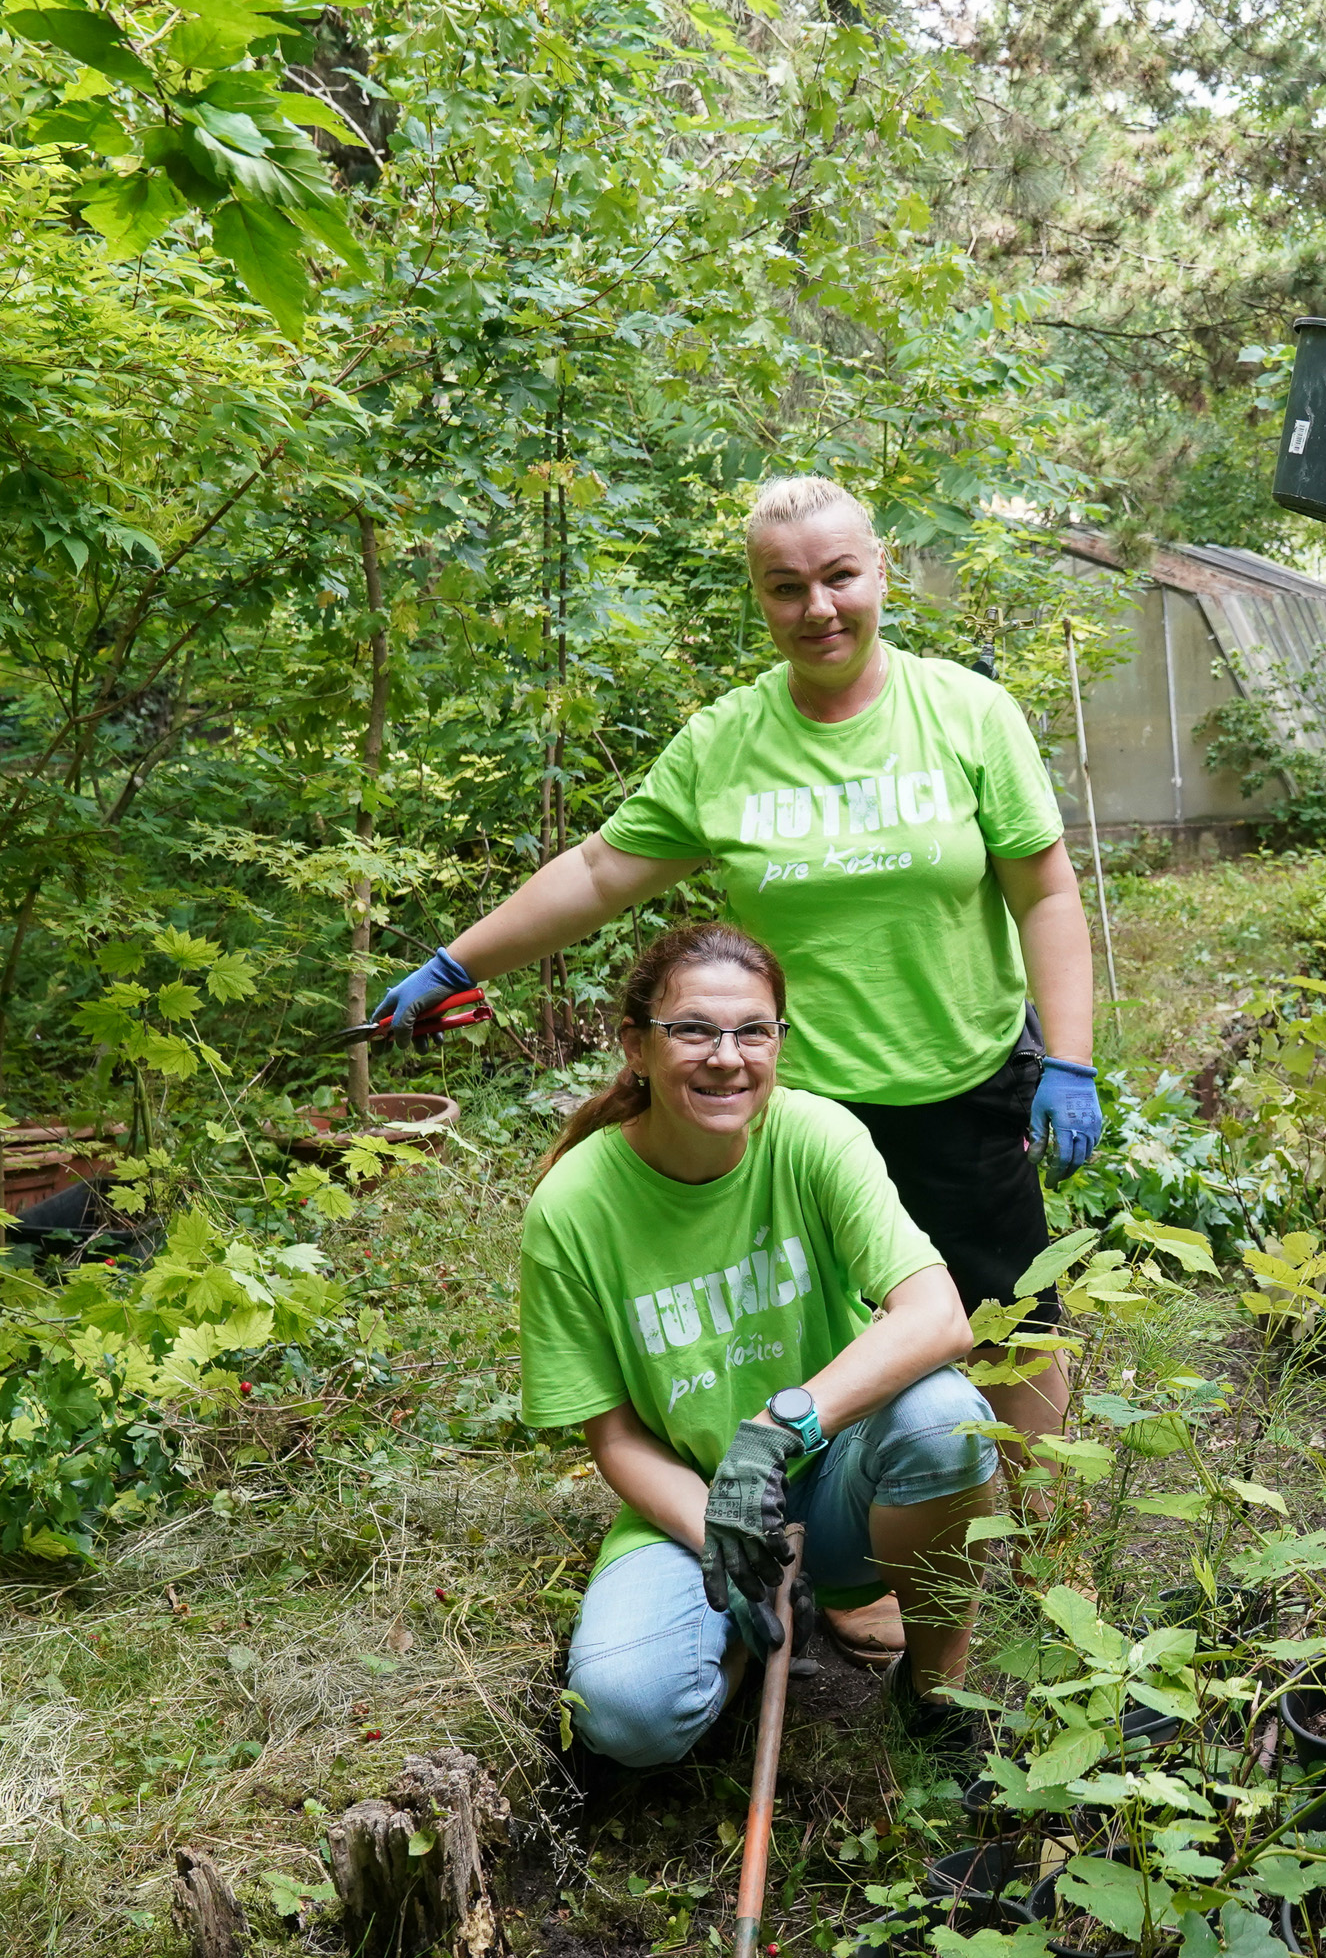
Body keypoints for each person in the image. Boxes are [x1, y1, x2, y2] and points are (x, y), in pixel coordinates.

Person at [373, 477, 1097, 1651]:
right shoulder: (726, 743)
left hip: (962, 1080)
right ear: (758, 599)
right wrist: (460, 959)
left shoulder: (966, 714)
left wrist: (1068, 1058)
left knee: (1010, 1321)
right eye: (785, 586)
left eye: (840, 576)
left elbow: (1045, 890)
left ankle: (1055, 1560)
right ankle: (864, 1567)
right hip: (794, 1105)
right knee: (835, 1334)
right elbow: (602, 871)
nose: (819, 606)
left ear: (880, 571)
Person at [521, 922, 996, 1767]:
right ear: (636, 1045)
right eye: (692, 1030)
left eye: (753, 1031)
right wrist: (724, 1533)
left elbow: (937, 1316)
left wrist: (779, 1429)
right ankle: (751, 1626)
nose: (726, 1057)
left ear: (779, 1040)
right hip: (693, 1505)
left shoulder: (814, 1136)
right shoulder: (573, 1206)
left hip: (847, 1477)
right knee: (626, 1715)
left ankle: (936, 1698)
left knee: (943, 1417)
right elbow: (615, 1435)